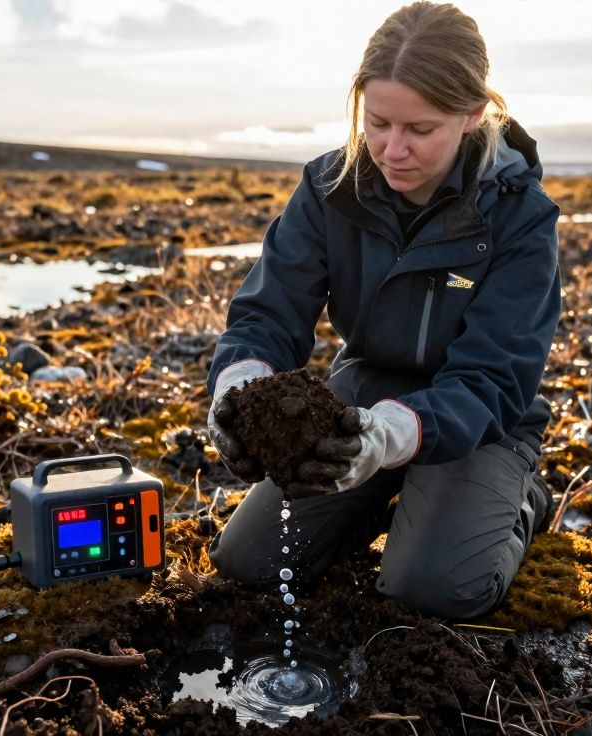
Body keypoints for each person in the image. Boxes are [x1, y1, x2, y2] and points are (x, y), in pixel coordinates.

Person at [204, 1, 560, 619]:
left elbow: (492, 378)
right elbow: (268, 314)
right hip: (364, 394)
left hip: (481, 419)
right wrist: (241, 385)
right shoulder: (327, 189)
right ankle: (379, 493)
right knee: (249, 564)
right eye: (377, 124)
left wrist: (397, 435)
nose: (393, 150)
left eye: (421, 130)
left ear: (473, 115)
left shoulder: (521, 217)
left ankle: (522, 496)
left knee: (432, 589)